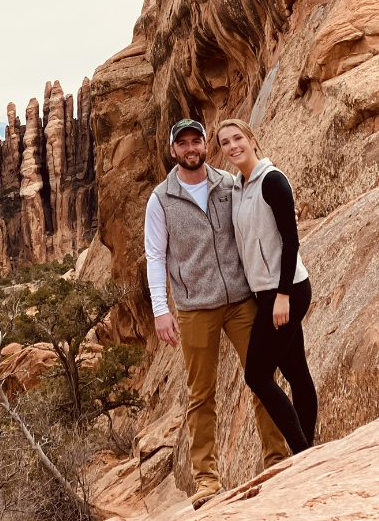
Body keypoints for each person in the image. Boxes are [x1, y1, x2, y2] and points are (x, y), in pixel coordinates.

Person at [144, 118, 291, 510]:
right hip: (194, 310)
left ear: (206, 145)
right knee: (200, 395)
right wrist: (162, 310)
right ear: (173, 150)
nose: (191, 148)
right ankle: (207, 480)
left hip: (241, 299)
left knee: (261, 379)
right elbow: (155, 256)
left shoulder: (229, 185)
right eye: (183, 143)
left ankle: (277, 459)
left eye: (197, 141)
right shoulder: (161, 199)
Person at [215, 118, 317, 456]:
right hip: (268, 292)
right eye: (225, 143)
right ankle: (310, 451)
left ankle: (302, 452)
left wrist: (283, 296)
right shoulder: (240, 188)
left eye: (237, 138)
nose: (233, 146)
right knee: (296, 372)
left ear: (252, 139)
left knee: (256, 375)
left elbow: (291, 240)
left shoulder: (271, 181)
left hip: (286, 290)